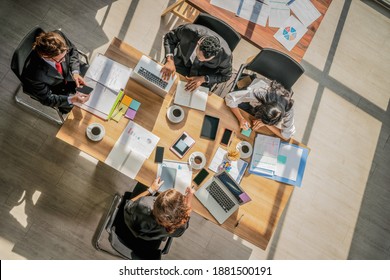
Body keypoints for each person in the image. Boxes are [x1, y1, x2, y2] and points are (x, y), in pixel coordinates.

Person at [21, 30, 90, 114]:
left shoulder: (59, 37)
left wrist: (75, 72)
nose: (64, 60)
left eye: (65, 54)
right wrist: (73, 99)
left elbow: (73, 51)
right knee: (81, 110)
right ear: (46, 56)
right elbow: (47, 99)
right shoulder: (33, 75)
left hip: (70, 71)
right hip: (57, 89)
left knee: (91, 86)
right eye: (60, 59)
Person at [161, 23, 232, 92]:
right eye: (199, 56)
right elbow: (169, 38)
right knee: (163, 84)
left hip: (202, 76)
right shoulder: (188, 31)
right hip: (182, 63)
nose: (200, 59)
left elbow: (226, 76)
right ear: (198, 43)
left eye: (205, 60)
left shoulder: (225, 56)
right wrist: (170, 60)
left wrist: (204, 79)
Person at [124, 177, 194, 241]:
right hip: (152, 239)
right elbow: (185, 218)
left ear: (156, 200)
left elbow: (128, 205)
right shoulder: (180, 226)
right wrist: (189, 199)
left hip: (133, 225)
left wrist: (151, 190)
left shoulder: (142, 204)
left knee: (142, 182)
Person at [225, 79, 296, 140]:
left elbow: (286, 136)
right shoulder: (258, 93)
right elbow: (229, 98)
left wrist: (267, 124)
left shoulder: (289, 109)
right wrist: (241, 119)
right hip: (252, 94)